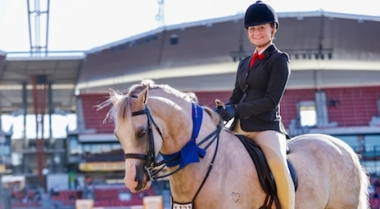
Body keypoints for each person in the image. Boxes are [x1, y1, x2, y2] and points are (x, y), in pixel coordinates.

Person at [214, 1, 295, 208]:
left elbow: (271, 101)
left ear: (273, 29)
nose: (256, 32)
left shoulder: (279, 60)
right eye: (252, 29)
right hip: (239, 128)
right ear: (247, 32)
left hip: (266, 127)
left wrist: (237, 109)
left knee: (278, 166)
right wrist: (224, 111)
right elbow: (236, 95)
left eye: (261, 28)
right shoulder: (243, 63)